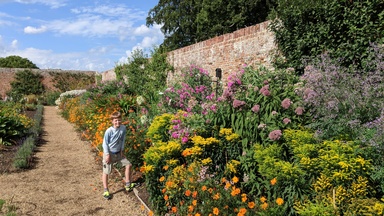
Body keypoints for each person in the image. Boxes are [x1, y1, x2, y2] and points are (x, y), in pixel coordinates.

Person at [101, 111, 137, 200]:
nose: (118, 122)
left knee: (128, 165)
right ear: (112, 121)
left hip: (118, 153)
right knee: (106, 172)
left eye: (119, 120)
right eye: (116, 120)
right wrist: (107, 155)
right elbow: (105, 144)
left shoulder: (123, 128)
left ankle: (128, 184)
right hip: (109, 154)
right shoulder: (109, 131)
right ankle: (106, 190)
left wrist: (122, 150)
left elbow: (122, 139)